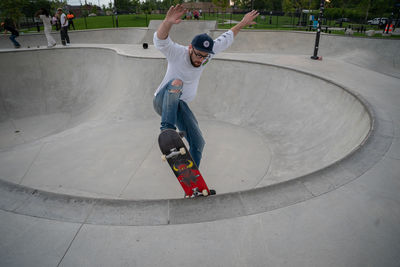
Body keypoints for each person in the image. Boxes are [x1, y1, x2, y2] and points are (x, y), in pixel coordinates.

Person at [153, 5, 259, 167]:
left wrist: (242, 23)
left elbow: (228, 36)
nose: (200, 59)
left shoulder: (207, 55)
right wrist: (167, 23)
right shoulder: (177, 53)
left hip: (180, 106)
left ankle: (193, 183)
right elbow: (161, 40)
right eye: (198, 55)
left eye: (205, 57)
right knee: (177, 82)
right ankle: (167, 132)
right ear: (190, 48)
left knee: (198, 143)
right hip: (163, 100)